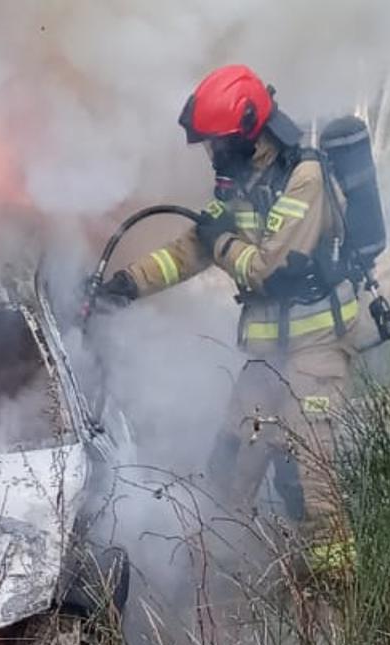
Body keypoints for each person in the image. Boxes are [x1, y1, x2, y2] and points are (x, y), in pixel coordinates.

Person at [96, 64, 360, 577]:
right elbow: (192, 249)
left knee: (312, 477)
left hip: (317, 347)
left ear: (247, 130)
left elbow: (267, 268)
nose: (213, 155)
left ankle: (336, 593)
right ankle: (215, 578)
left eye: (217, 143)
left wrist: (219, 239)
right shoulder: (242, 182)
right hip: (268, 354)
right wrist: (127, 285)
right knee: (231, 458)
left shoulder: (305, 178)